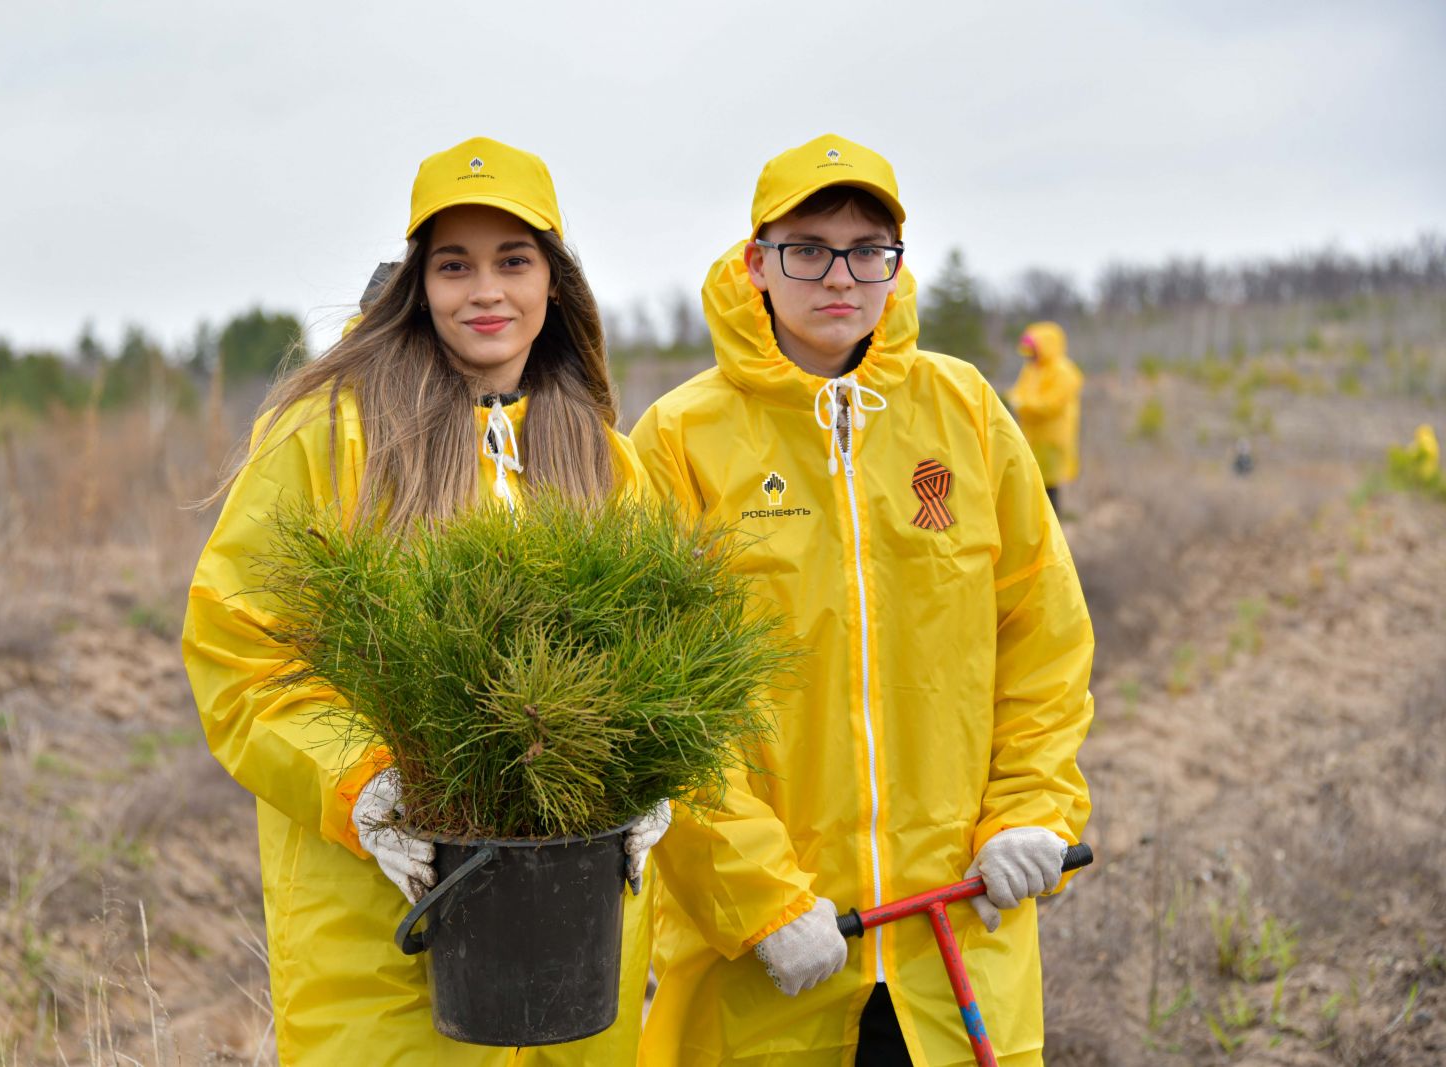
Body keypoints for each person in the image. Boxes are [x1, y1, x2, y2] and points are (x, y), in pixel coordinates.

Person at [183, 137, 665, 1066]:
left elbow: (654, 664)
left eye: (513, 261)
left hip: (577, 956)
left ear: (554, 280)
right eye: (454, 265)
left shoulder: (603, 458)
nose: (486, 291)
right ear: (418, 281)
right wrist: (366, 787)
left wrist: (650, 781)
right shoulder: (332, 434)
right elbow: (241, 647)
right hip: (379, 937)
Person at [630, 134, 1094, 1066]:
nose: (840, 276)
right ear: (757, 263)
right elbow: (656, 703)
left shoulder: (967, 411)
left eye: (867, 250)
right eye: (808, 249)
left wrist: (1030, 811)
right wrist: (760, 897)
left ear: (896, 263)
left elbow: (1042, 638)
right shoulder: (679, 439)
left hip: (957, 932)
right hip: (774, 961)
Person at [1005, 322, 1083, 513]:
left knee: (1049, 484)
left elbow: (1052, 404)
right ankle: (1038, 521)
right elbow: (1018, 392)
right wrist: (1019, 402)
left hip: (1052, 438)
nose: (1030, 355)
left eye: (1033, 349)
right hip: (1032, 435)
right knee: (1033, 482)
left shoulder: (1063, 371)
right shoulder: (1032, 369)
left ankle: (1054, 521)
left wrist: (1024, 405)